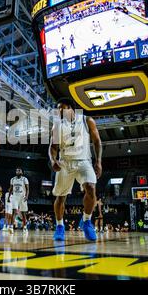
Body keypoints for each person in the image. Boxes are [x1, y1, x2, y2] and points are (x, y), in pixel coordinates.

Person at [49, 98, 102, 241]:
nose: (61, 111)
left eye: (63, 108)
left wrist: (98, 162)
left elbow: (97, 141)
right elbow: (53, 148)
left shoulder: (87, 120)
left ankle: (86, 221)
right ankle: (60, 226)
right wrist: (53, 160)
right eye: (58, 109)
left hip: (84, 161)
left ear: (71, 108)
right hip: (65, 163)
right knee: (60, 197)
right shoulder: (57, 126)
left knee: (91, 188)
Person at [9, 168, 30, 234]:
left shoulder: (25, 179)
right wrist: (9, 196)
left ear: (22, 172)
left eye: (19, 170)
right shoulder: (12, 179)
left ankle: (25, 227)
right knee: (14, 211)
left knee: (23, 213)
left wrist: (26, 196)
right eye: (16, 170)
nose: (17, 171)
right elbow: (11, 188)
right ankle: (11, 227)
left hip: (22, 197)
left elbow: (27, 189)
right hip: (15, 197)